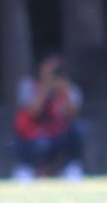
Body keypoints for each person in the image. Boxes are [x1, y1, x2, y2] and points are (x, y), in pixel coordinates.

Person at [12, 53, 86, 183]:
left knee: (79, 128)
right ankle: (26, 169)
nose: (52, 74)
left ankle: (71, 168)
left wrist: (64, 92)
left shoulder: (69, 88)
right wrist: (44, 88)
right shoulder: (28, 86)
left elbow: (72, 115)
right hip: (33, 136)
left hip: (58, 135)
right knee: (25, 139)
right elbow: (33, 111)